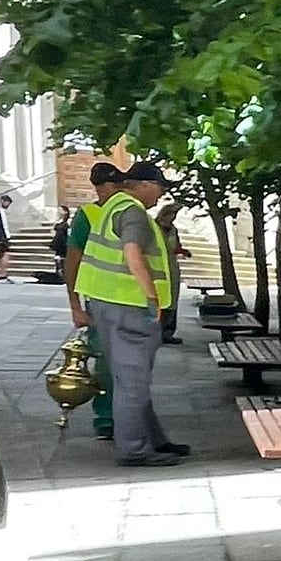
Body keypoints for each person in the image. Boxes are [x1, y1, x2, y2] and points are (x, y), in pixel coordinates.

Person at [73, 161, 188, 467]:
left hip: (105, 303)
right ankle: (134, 450)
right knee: (133, 384)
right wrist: (152, 298)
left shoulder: (112, 206)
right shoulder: (134, 212)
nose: (161, 195)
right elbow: (133, 253)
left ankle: (154, 439)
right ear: (145, 185)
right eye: (160, 188)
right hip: (130, 307)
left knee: (128, 380)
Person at [65, 164, 125, 442]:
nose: (107, 192)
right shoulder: (88, 215)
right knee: (104, 360)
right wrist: (75, 306)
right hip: (100, 298)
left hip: (128, 299)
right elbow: (73, 261)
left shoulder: (128, 212)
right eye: (103, 187)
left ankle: (125, 414)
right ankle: (106, 417)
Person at [154, 203, 192, 344]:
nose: (173, 218)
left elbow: (175, 246)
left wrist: (183, 251)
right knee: (158, 301)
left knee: (172, 301)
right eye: (171, 215)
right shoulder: (154, 228)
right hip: (157, 268)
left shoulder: (173, 230)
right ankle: (155, 331)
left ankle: (168, 332)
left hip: (172, 269)